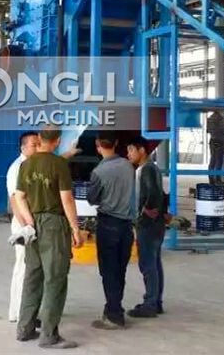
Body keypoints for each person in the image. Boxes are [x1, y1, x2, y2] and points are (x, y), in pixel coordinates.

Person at [13, 126, 83, 349]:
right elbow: (67, 200)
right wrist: (75, 228)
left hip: (33, 225)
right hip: (54, 225)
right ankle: (49, 335)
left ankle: (25, 329)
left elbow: (19, 197)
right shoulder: (59, 165)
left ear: (40, 138)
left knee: (33, 276)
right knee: (55, 279)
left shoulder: (26, 164)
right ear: (58, 140)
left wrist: (29, 221)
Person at [86, 131, 136, 330]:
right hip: (127, 226)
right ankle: (114, 309)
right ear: (116, 143)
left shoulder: (99, 172)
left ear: (97, 144)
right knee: (120, 270)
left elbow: (92, 199)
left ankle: (114, 315)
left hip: (108, 224)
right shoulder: (128, 166)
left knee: (108, 271)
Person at [126, 136, 166, 318]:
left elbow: (154, 194)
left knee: (148, 264)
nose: (128, 154)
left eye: (131, 150)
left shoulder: (146, 169)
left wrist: (145, 214)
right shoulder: (151, 168)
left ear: (141, 150)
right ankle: (156, 302)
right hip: (156, 225)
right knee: (155, 263)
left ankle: (150, 303)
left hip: (148, 225)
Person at [6, 131, 39, 323]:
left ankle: (29, 310)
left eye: (39, 144)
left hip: (31, 222)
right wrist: (26, 227)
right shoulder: (17, 168)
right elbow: (15, 200)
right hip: (23, 224)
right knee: (23, 266)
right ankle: (19, 312)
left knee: (31, 268)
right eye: (34, 145)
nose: (37, 148)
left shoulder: (34, 165)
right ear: (23, 147)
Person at [206, 111, 224, 186]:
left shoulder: (210, 119)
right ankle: (217, 179)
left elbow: (208, 130)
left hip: (213, 141)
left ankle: (212, 180)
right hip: (218, 141)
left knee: (213, 160)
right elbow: (223, 130)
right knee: (218, 161)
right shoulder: (219, 118)